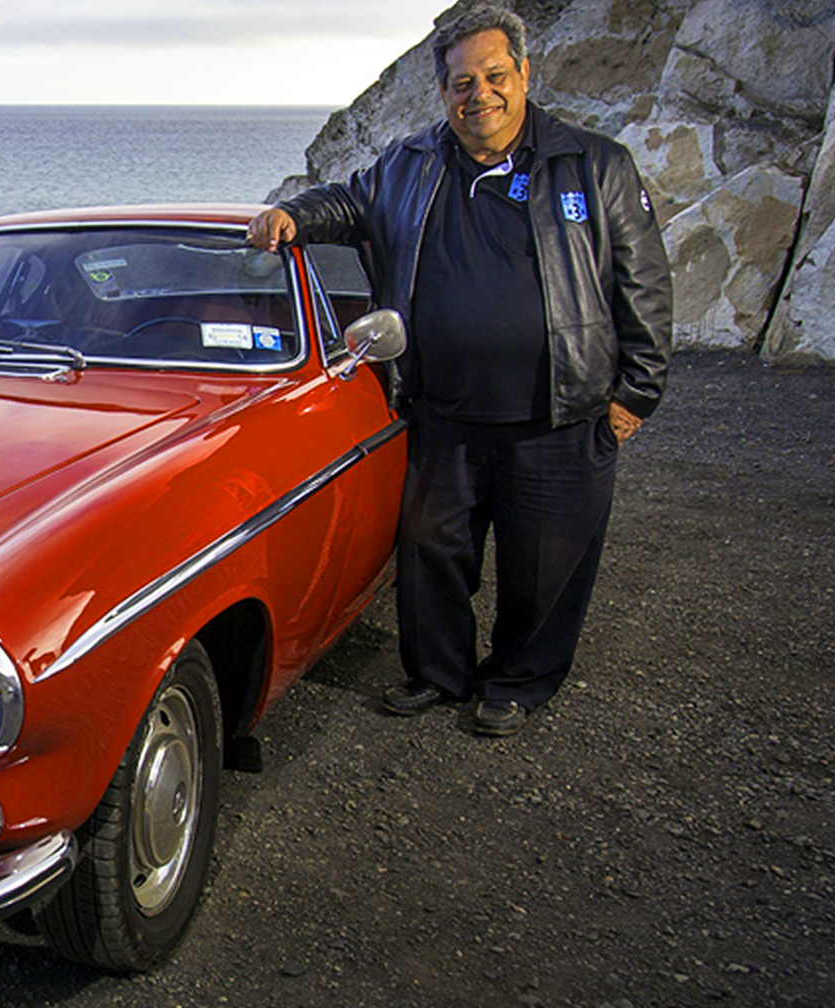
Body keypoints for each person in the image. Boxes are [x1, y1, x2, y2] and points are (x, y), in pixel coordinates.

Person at [248, 4, 671, 736]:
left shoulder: (592, 164)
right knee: (431, 553)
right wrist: (293, 213)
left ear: (524, 74)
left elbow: (645, 286)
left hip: (559, 415)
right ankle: (438, 676)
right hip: (443, 412)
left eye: (495, 76)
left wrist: (636, 394)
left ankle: (518, 681)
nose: (480, 95)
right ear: (443, 91)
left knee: (545, 568)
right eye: (462, 82)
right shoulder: (411, 165)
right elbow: (347, 203)